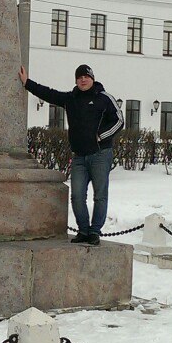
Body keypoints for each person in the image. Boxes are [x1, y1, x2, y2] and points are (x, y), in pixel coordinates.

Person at [19, 63, 124, 243]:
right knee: (76, 196)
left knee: (100, 195)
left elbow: (119, 121)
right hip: (79, 157)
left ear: (92, 79)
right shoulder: (71, 98)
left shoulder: (104, 98)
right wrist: (27, 83)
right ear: (76, 80)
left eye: (86, 77)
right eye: (80, 77)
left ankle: (94, 232)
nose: (83, 80)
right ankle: (83, 230)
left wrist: (100, 136)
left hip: (100, 154)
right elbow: (49, 94)